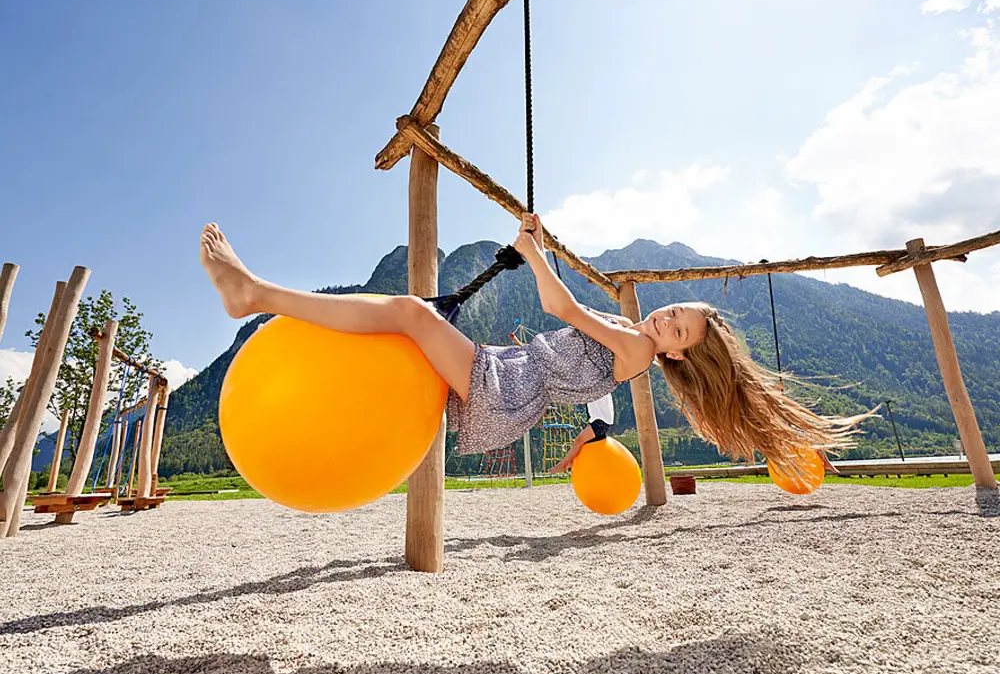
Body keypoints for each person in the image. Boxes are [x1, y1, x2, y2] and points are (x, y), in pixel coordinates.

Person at [200, 214, 867, 477]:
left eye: (678, 329)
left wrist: (535, 252)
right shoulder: (635, 338)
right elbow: (569, 316)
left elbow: (560, 306)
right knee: (403, 318)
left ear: (677, 356)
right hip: (504, 376)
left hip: (504, 387)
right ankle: (258, 296)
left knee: (406, 312)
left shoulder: (633, 353)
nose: (665, 318)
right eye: (676, 312)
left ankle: (254, 295)